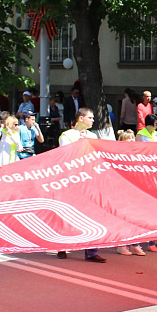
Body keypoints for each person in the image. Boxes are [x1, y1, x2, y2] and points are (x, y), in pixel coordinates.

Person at [57, 108, 108, 263]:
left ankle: (92, 250)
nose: (93, 120)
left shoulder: (92, 136)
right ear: (80, 118)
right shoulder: (67, 136)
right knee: (68, 213)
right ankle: (62, 245)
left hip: (89, 179)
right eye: (90, 118)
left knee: (92, 214)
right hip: (72, 180)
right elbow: (65, 156)